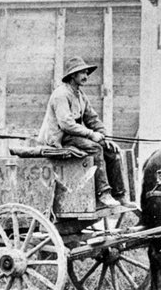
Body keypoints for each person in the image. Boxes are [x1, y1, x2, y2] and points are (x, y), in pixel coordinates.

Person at [37, 56, 129, 210]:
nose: (86, 76)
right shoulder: (61, 94)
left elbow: (92, 118)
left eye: (87, 73)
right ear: (73, 75)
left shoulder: (80, 96)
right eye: (82, 73)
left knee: (110, 150)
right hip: (59, 138)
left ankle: (119, 194)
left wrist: (103, 136)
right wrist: (92, 135)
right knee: (95, 148)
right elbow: (66, 124)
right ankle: (103, 193)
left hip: (73, 136)